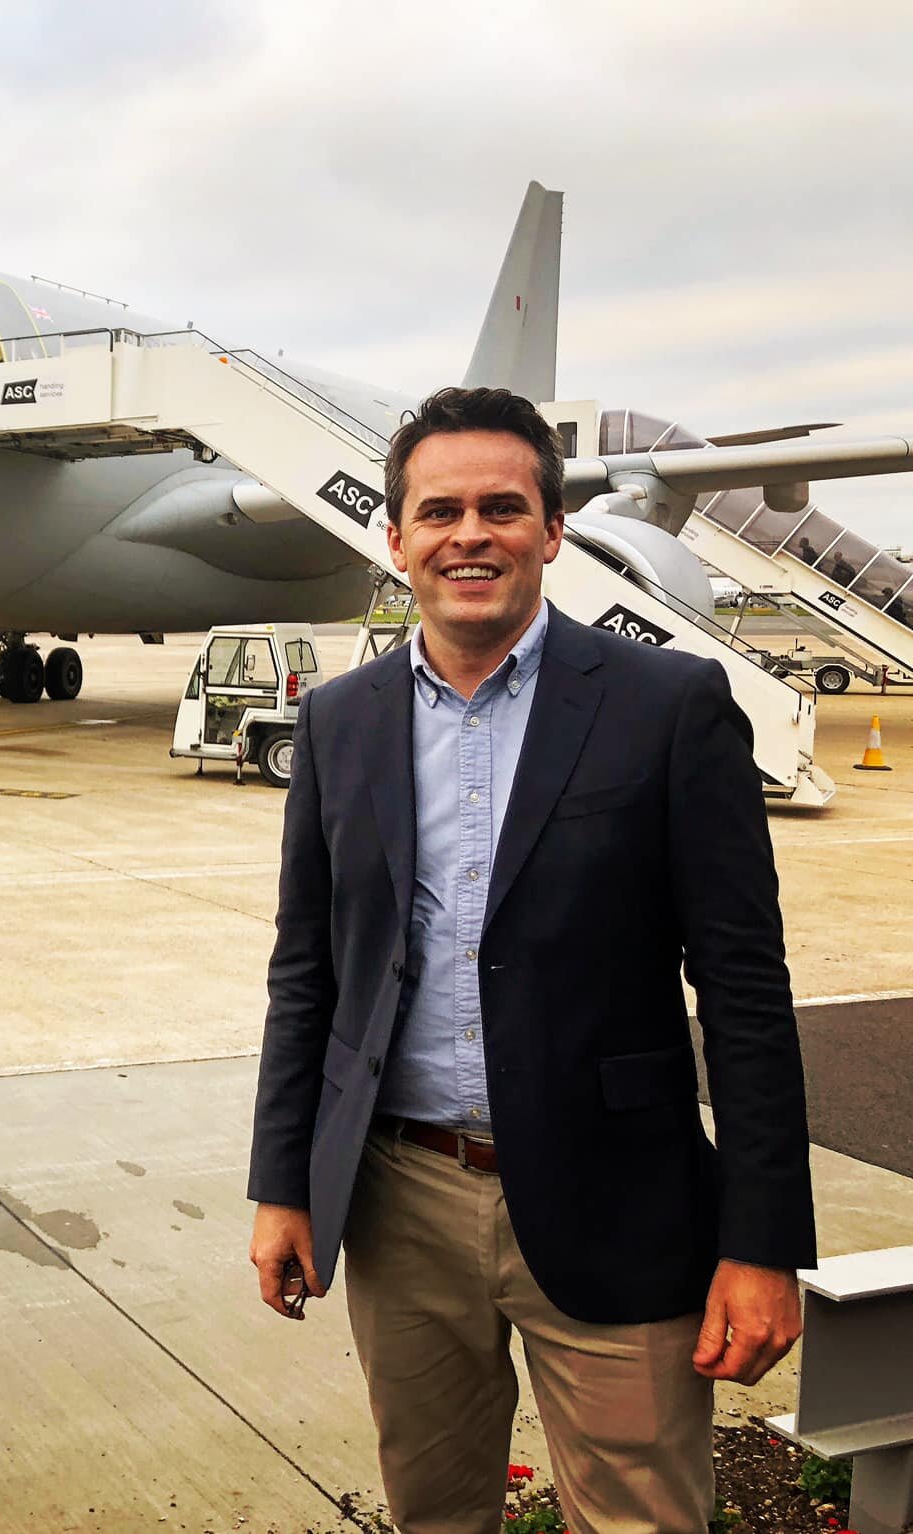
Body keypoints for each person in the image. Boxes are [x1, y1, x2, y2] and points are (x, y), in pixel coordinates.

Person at [246, 386, 814, 1532]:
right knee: (433, 1507)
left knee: (640, 1514)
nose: (470, 535)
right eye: (438, 510)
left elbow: (744, 988)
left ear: (550, 531)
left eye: (502, 508)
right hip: (399, 1197)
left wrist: (759, 1243)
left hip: (618, 1194)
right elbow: (307, 968)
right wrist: (280, 1184)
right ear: (394, 535)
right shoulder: (340, 720)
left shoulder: (666, 704)